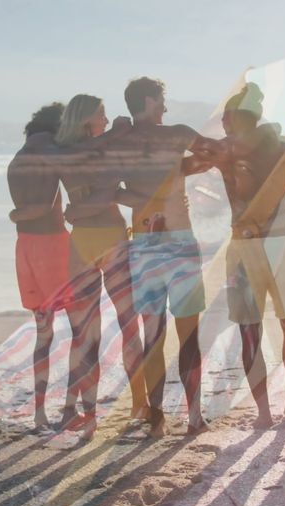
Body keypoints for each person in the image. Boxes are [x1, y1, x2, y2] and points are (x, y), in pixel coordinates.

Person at [68, 77, 213, 436]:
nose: (165, 106)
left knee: (153, 336)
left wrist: (142, 195)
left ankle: (157, 421)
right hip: (179, 242)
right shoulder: (178, 134)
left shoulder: (123, 143)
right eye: (162, 99)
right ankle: (194, 417)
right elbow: (216, 154)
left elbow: (109, 189)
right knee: (188, 335)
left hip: (145, 246)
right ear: (149, 101)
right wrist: (176, 174)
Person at [206, 83, 285, 428]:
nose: (222, 123)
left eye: (226, 117)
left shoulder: (225, 151)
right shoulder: (283, 146)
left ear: (237, 117)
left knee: (250, 331)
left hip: (245, 245)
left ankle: (265, 412)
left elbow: (180, 163)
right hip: (279, 242)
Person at [47, 94, 146, 435]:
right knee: (112, 327)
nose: (106, 119)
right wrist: (116, 135)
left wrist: (80, 208)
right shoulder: (91, 150)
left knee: (100, 329)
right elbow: (111, 188)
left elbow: (117, 193)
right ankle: (117, 408)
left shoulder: (67, 152)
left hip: (89, 241)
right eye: (101, 114)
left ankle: (107, 411)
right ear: (87, 118)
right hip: (107, 241)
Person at [4, 102, 71, 429]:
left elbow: (25, 208)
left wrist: (15, 215)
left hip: (25, 247)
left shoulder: (19, 156)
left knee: (43, 333)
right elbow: (43, 206)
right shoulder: (51, 152)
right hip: (52, 247)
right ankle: (72, 407)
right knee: (81, 327)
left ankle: (40, 412)